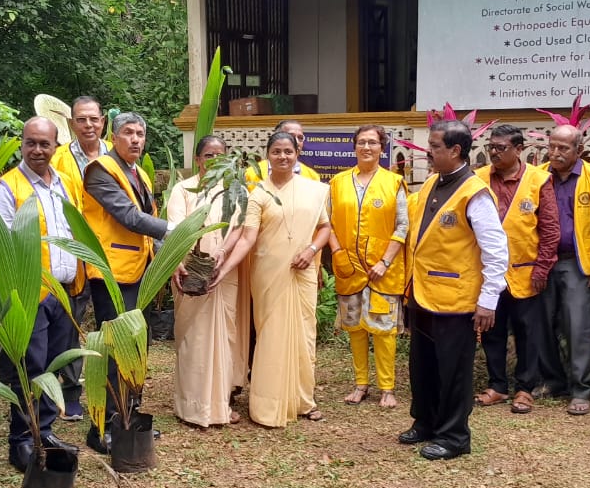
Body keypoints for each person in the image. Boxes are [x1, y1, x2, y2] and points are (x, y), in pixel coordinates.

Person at [399, 120, 508, 460]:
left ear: (455, 151)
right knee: (423, 364)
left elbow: (495, 249)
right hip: (422, 293)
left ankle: (455, 435)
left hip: (456, 298)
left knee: (453, 370)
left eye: (434, 147)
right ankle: (426, 421)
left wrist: (488, 300)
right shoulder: (432, 182)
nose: (428, 152)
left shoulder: (474, 193)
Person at [211, 131, 331, 428]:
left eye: (288, 151)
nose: (283, 157)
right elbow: (247, 238)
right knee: (270, 334)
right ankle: (267, 404)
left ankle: (304, 400)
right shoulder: (259, 194)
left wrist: (312, 250)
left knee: (304, 335)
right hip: (268, 274)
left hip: (301, 271)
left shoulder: (314, 190)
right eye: (276, 151)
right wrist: (222, 269)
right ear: (268, 155)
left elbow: (325, 228)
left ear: (296, 154)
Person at [0, 117, 82, 471]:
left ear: (56, 146)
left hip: (64, 292)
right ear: (21, 144)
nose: (38, 150)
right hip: (30, 295)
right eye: (31, 143)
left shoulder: (67, 184)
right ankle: (22, 440)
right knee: (30, 367)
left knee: (54, 365)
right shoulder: (7, 188)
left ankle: (45, 429)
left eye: (45, 143)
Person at [82, 112, 170, 449]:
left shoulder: (141, 174)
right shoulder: (100, 171)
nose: (135, 139)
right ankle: (100, 427)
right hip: (113, 274)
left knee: (136, 348)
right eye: (128, 133)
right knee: (112, 351)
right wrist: (172, 230)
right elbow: (130, 217)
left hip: (141, 271)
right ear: (113, 137)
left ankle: (129, 418)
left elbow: (150, 216)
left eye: (140, 134)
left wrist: (167, 253)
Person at [473, 124, 559, 415]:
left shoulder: (538, 180)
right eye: (491, 148)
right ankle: (497, 385)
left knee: (528, 332)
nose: (494, 153)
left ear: (519, 149)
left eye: (501, 148)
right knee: (491, 329)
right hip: (488, 274)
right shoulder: (479, 178)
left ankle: (525, 388)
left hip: (525, 271)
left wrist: (542, 269)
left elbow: (550, 229)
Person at [328, 124, 408, 410]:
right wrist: (337, 252)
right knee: (356, 329)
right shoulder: (338, 182)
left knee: (384, 331)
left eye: (372, 143)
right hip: (349, 268)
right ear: (354, 147)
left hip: (382, 270)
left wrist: (386, 261)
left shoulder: (393, 182)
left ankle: (387, 388)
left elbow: (403, 225)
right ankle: (361, 383)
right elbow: (328, 222)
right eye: (361, 142)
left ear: (381, 148)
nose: (366, 147)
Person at [168, 135, 243, 427]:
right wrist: (180, 263)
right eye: (208, 156)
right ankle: (192, 406)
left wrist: (223, 254)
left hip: (224, 273)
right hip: (190, 273)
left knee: (224, 339)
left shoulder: (233, 192)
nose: (214, 161)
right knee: (194, 339)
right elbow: (175, 230)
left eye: (220, 156)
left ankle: (220, 405)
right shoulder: (183, 190)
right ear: (198, 160)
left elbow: (238, 227)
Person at [45, 95, 106, 421]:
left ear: (103, 121)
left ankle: (112, 388)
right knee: (72, 326)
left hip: (112, 255)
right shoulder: (60, 159)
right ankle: (70, 395)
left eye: (93, 119)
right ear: (72, 124)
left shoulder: (114, 153)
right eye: (81, 119)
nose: (88, 125)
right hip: (76, 254)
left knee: (111, 324)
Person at [539, 125, 590, 416]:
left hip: (577, 263)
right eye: (552, 146)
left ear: (579, 151)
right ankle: (553, 381)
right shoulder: (539, 176)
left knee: (578, 327)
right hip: (543, 262)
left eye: (563, 148)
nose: (555, 153)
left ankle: (581, 388)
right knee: (541, 324)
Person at [245, 119, 321, 183]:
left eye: (300, 138)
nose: (297, 142)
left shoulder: (312, 177)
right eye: (291, 136)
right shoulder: (251, 174)